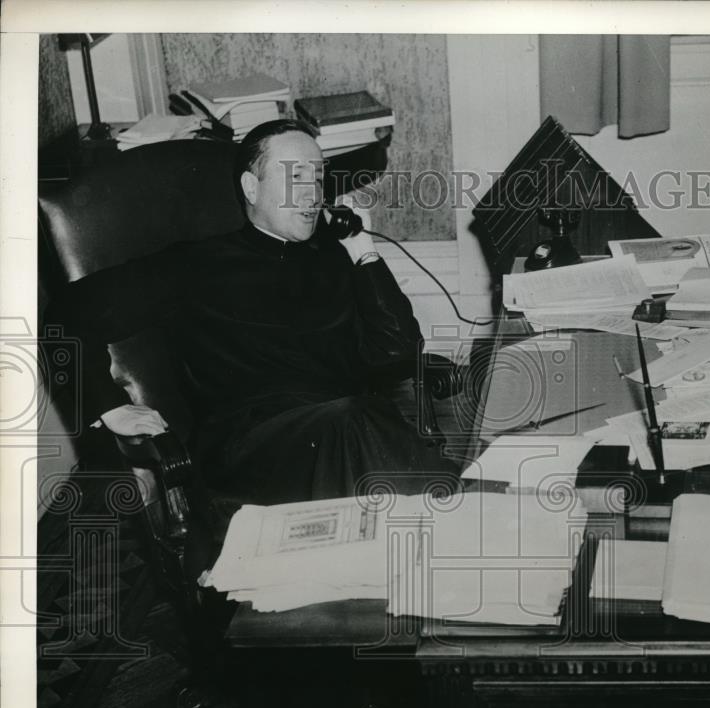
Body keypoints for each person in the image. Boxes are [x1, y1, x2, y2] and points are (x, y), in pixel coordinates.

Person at [51, 119, 457, 505]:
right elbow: (64, 315)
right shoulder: (198, 263)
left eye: (317, 178)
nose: (313, 194)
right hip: (250, 452)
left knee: (366, 431)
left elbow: (399, 353)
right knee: (371, 438)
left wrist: (363, 249)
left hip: (344, 436)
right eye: (295, 177)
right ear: (251, 186)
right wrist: (108, 408)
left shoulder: (334, 257)